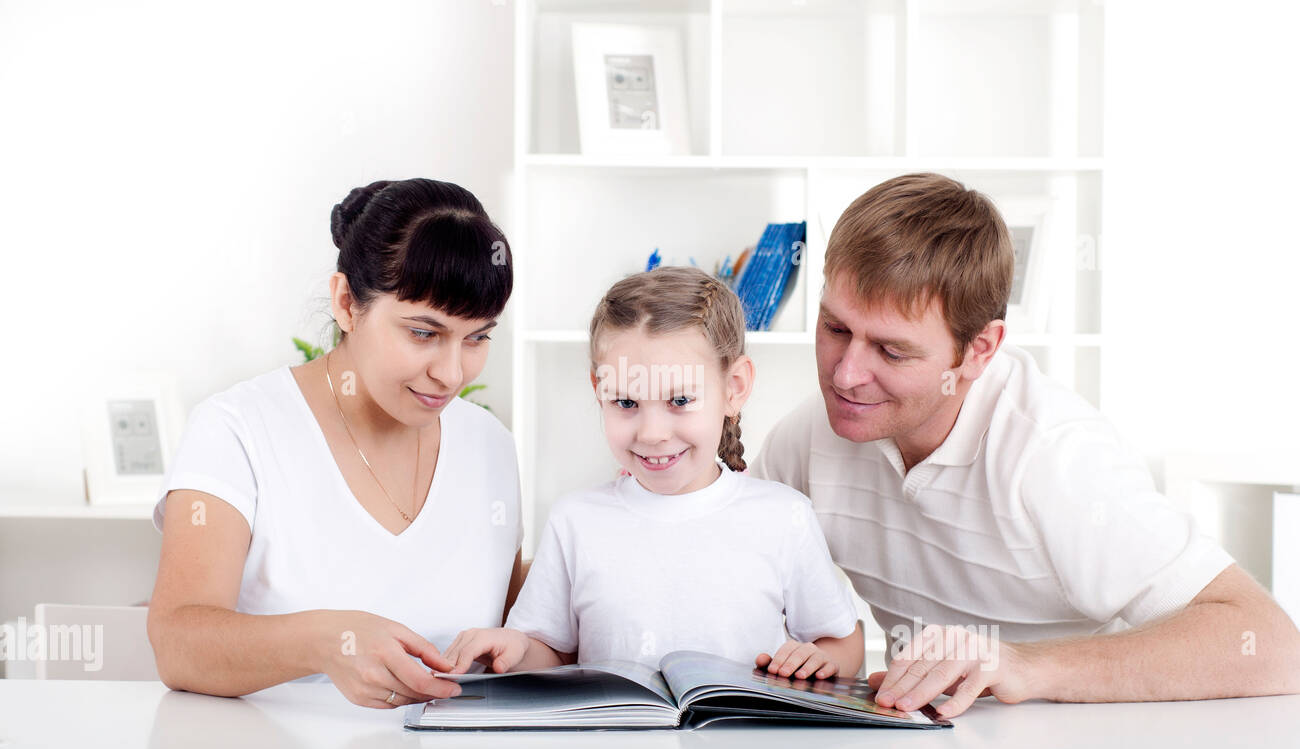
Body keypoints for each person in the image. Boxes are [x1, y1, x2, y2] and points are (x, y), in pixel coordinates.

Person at [751, 172, 1300, 718]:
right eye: (835, 328)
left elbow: (1272, 646)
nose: (845, 376)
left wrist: (1025, 667)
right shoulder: (814, 435)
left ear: (979, 350)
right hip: (929, 742)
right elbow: (728, 554)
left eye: (892, 352)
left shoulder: (1054, 453)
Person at [148, 178, 524, 709]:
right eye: (423, 332)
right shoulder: (237, 429)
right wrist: (325, 643)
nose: (451, 372)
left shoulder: (489, 445)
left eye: (478, 337)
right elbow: (178, 643)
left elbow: (519, 636)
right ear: (347, 303)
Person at [443, 266, 863, 678]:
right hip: (616, 745)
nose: (652, 433)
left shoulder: (783, 516)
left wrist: (825, 663)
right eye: (626, 404)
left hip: (742, 746)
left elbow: (841, 641)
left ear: (734, 388)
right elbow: (553, 652)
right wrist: (515, 649)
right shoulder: (576, 520)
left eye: (679, 400)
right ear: (599, 390)